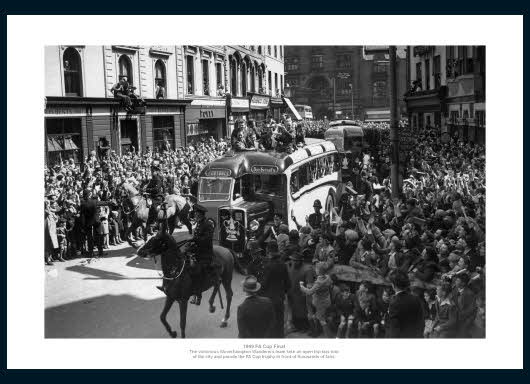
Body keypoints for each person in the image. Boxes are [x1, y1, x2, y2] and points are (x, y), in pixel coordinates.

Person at [259, 241, 291, 338]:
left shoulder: (268, 266)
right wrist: (282, 293)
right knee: (280, 322)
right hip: (280, 298)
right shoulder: (283, 264)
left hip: (268, 300)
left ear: (268, 250)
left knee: (270, 324)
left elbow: (263, 284)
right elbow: (288, 283)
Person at [187, 204, 215, 305]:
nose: (196, 216)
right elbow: (197, 236)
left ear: (202, 215)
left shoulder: (208, 224)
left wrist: (194, 239)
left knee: (197, 272)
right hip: (197, 250)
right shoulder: (199, 223)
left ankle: (198, 296)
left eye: (197, 215)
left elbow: (207, 240)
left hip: (205, 253)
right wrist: (190, 243)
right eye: (195, 214)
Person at [385, 270, 425, 338]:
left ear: (393, 285)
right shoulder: (416, 299)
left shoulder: (394, 302)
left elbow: (394, 327)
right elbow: (421, 321)